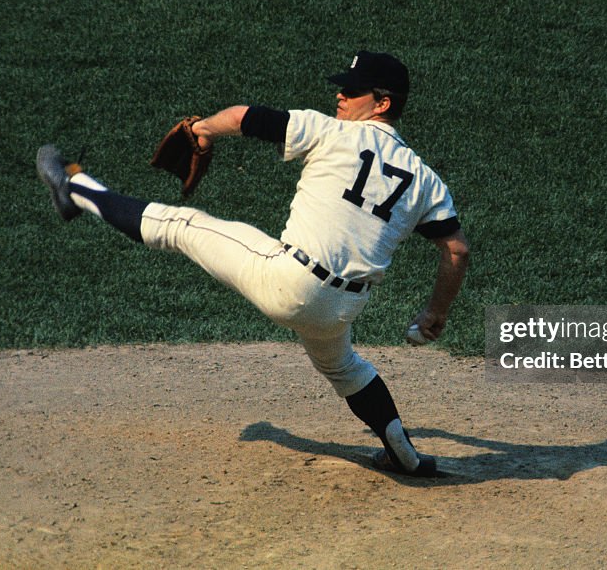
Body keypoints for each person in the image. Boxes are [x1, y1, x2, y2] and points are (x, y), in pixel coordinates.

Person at [36, 51, 470, 477]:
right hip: (341, 309)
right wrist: (436, 312)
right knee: (344, 367)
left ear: (382, 103)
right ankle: (405, 456)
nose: (340, 96)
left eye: (352, 91)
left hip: (288, 281)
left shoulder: (331, 133)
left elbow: (246, 116)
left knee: (182, 225)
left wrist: (203, 129)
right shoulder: (426, 180)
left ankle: (73, 187)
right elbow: (456, 250)